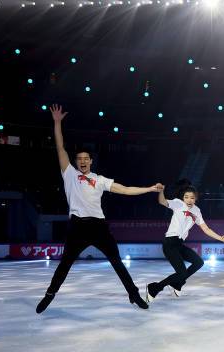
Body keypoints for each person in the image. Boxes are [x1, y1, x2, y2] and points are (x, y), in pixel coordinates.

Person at [36, 104, 162, 314]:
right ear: (76, 162)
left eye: (86, 159)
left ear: (91, 162)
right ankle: (49, 294)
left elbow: (125, 189)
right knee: (64, 264)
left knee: (117, 263)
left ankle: (133, 294)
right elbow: (60, 148)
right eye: (80, 159)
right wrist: (57, 123)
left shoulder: (100, 180)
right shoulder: (69, 174)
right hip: (77, 227)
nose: (83, 161)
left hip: (99, 227)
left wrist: (149, 188)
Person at [145, 180, 224, 302]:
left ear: (195, 199)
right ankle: (154, 288)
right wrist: (162, 191)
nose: (189, 200)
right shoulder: (178, 204)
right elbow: (162, 201)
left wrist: (221, 238)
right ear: (183, 198)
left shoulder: (197, 211)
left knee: (198, 262)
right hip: (170, 243)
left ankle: (177, 284)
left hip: (179, 244)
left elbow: (206, 228)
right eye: (186, 197)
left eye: (192, 198)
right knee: (181, 273)